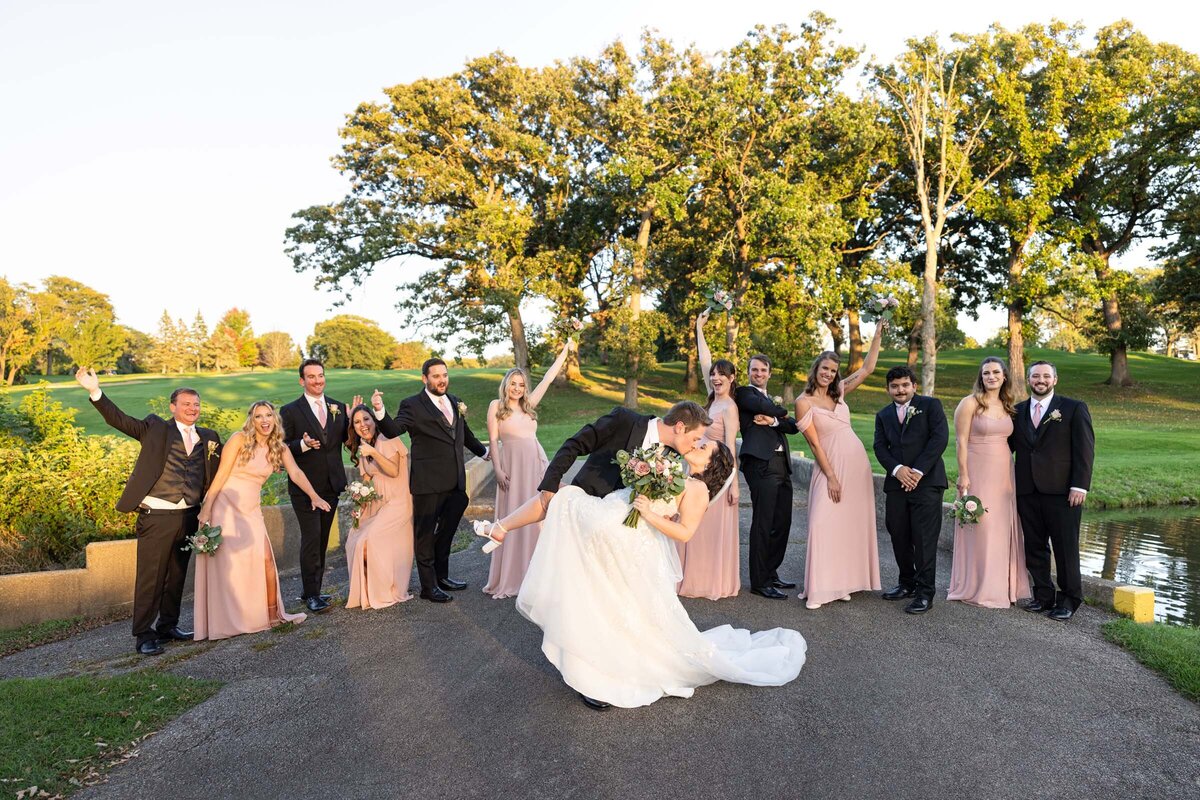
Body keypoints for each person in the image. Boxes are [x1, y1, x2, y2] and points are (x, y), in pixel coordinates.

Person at [481, 438, 806, 710]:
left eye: (705, 446)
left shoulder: (698, 489)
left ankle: (502, 528)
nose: (698, 443)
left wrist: (648, 513)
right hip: (616, 527)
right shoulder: (673, 469)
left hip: (630, 542)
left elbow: (685, 532)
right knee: (598, 591)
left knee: (564, 500)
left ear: (712, 463)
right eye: (700, 440)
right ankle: (503, 529)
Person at [75, 368, 222, 656]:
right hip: (157, 515)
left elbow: (227, 464)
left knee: (177, 575)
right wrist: (95, 391)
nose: (192, 409)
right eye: (186, 404)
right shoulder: (156, 427)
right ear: (173, 407)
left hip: (190, 514)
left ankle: (168, 626)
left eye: (196, 404)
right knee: (150, 577)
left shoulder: (210, 437)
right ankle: (144, 634)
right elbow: (120, 421)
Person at [194, 402, 323, 640]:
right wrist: (207, 508)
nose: (264, 420)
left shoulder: (279, 448)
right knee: (230, 564)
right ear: (251, 421)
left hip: (251, 509)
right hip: (226, 506)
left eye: (268, 416)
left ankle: (272, 616)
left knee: (264, 559)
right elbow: (221, 475)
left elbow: (295, 473)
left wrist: (314, 495)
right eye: (258, 416)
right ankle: (231, 619)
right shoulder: (238, 440)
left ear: (275, 419)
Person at [377, 358, 487, 603]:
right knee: (425, 535)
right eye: (436, 376)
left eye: (444, 375)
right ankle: (428, 587)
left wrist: (484, 452)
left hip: (455, 481)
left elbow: (464, 434)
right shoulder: (412, 405)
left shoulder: (455, 401)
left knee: (447, 532)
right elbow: (393, 430)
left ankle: (442, 576)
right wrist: (379, 411)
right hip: (427, 484)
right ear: (424, 378)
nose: (441, 380)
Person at [795, 322, 886, 610]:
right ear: (816, 370)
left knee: (847, 525)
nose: (829, 374)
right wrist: (831, 476)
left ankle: (841, 583)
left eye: (833, 371)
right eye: (824, 369)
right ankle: (819, 589)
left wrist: (878, 335)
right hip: (830, 466)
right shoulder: (803, 401)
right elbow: (814, 445)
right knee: (823, 523)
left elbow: (868, 369)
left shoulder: (840, 392)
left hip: (856, 463)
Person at [482, 340, 571, 598]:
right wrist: (497, 469)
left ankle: (536, 577)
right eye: (514, 384)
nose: (518, 389)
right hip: (511, 467)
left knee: (536, 517)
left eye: (521, 385)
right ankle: (510, 577)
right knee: (512, 515)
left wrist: (565, 349)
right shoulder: (495, 407)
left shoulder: (529, 404)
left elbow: (548, 377)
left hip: (535, 465)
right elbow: (494, 442)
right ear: (506, 385)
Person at [1009, 361, 1095, 621]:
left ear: (1055, 380)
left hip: (1063, 492)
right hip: (1027, 489)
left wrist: (1079, 485)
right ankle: (1043, 595)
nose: (1041, 380)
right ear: (1028, 379)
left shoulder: (1073, 408)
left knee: (1065, 547)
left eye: (1046, 376)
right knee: (1035, 546)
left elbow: (1085, 450)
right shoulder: (1018, 411)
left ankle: (1069, 599)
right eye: (1036, 376)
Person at [873, 365, 951, 614]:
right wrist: (898, 470)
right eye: (895, 386)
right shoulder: (883, 415)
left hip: (927, 483)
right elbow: (879, 447)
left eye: (905, 385)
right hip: (897, 483)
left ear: (914, 386)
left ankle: (925, 592)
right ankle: (906, 582)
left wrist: (917, 471)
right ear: (888, 389)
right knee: (898, 534)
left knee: (924, 539)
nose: (900, 390)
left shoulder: (931, 406)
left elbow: (939, 439)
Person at [675, 308, 740, 599]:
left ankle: (707, 580)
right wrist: (699, 329)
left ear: (732, 378)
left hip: (716, 476)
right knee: (688, 521)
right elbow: (704, 362)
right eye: (713, 375)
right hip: (695, 470)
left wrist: (734, 485)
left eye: (721, 375)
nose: (715, 378)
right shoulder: (712, 400)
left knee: (708, 528)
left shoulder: (730, 407)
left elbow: (729, 447)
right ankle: (686, 575)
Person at [279, 359, 352, 615]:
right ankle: (311, 595)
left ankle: (313, 589)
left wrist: (353, 421)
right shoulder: (289, 411)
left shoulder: (338, 408)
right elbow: (280, 448)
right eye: (311, 377)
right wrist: (302, 444)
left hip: (331, 485)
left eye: (320, 375)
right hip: (304, 488)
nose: (317, 380)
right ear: (302, 381)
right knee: (311, 540)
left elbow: (347, 441)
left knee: (321, 540)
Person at [734, 355, 799, 599]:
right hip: (761, 464)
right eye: (754, 369)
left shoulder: (767, 400)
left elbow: (793, 426)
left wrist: (773, 420)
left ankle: (771, 573)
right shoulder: (744, 394)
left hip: (783, 465)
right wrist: (779, 413)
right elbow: (776, 411)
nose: (759, 373)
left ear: (770, 373)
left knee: (782, 522)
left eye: (763, 370)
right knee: (763, 522)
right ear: (749, 372)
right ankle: (759, 581)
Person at [344, 401, 414, 610]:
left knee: (370, 540)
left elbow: (393, 471)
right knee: (353, 539)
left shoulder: (387, 439)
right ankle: (367, 590)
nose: (362, 425)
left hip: (397, 502)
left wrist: (373, 453)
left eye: (366, 419)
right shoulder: (363, 448)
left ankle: (385, 590)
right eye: (357, 422)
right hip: (377, 504)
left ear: (375, 421)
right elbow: (367, 482)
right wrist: (359, 505)